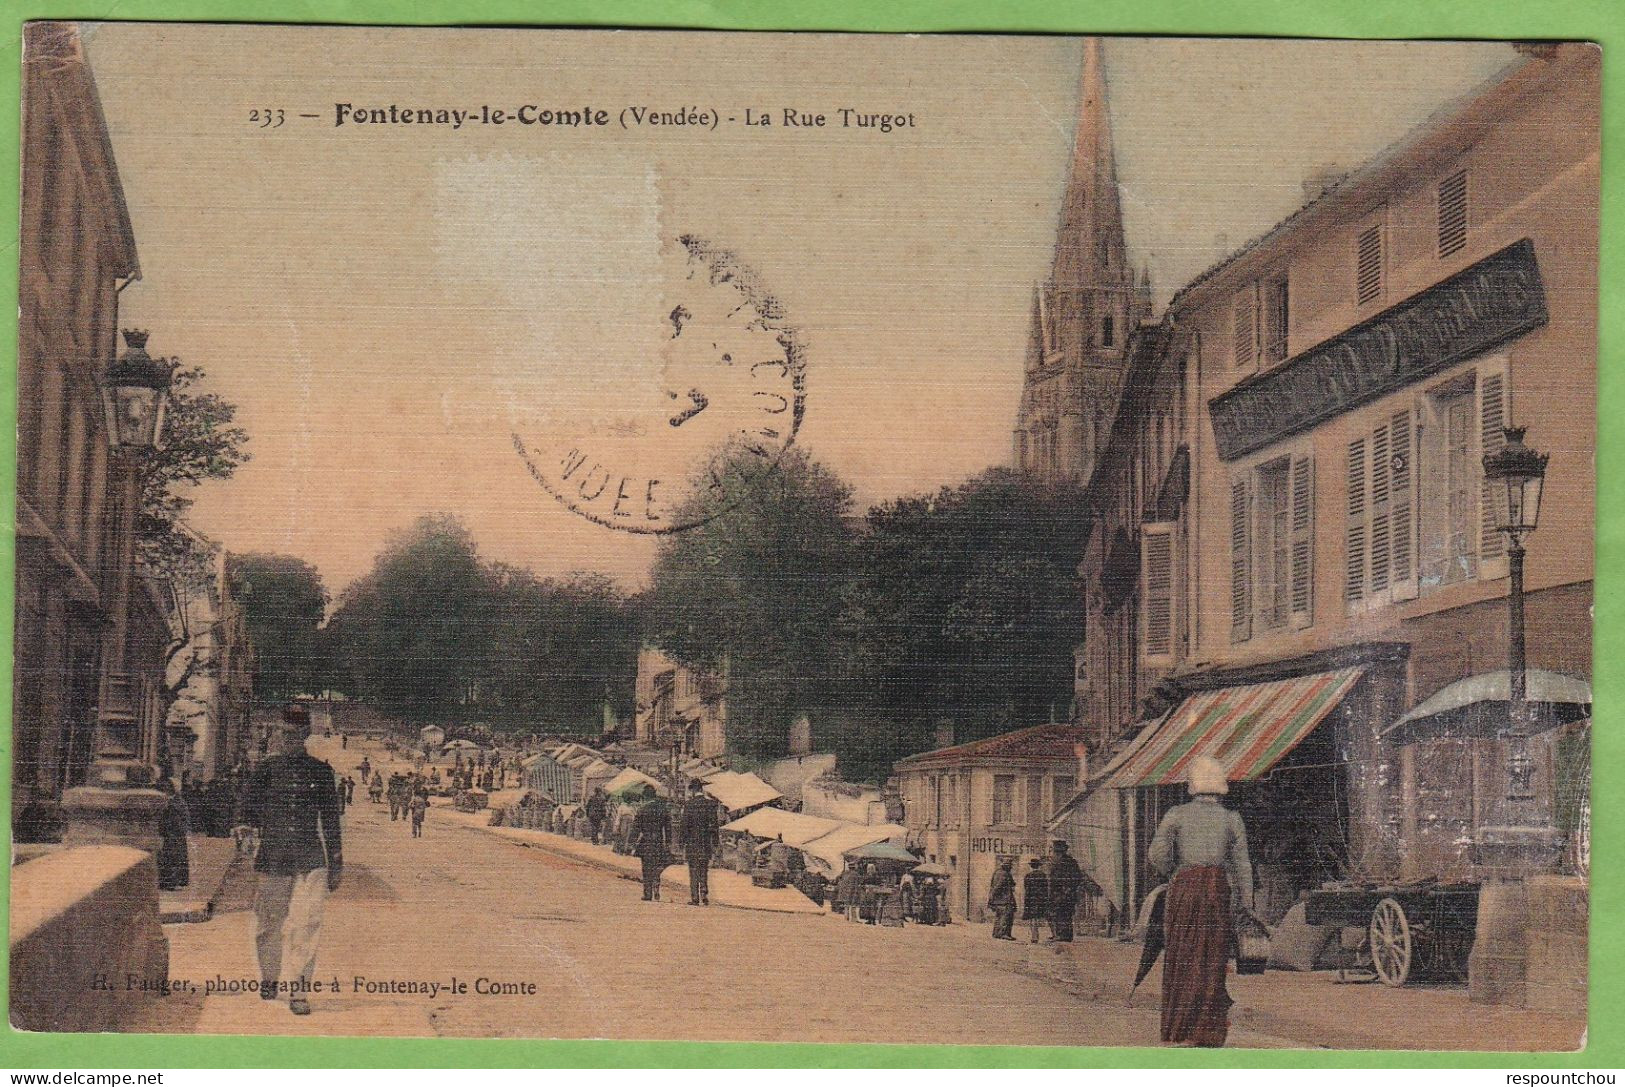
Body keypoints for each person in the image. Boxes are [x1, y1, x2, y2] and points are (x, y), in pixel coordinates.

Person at [233, 706, 343, 1016]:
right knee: (269, 923)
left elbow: (331, 820)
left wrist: (336, 862)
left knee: (307, 923)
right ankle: (269, 977)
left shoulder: (321, 772)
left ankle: (299, 990)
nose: (287, 739)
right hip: (274, 856)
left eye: (294, 735)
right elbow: (247, 805)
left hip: (310, 857)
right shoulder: (267, 770)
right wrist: (245, 829)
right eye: (283, 734)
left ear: (305, 735)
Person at [1148, 756, 1252, 1048]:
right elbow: (1243, 866)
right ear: (1221, 786)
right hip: (1217, 890)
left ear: (1193, 785)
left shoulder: (1176, 815)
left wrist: (1175, 871)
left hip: (1185, 888)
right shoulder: (1232, 819)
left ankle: (1178, 1030)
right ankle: (1207, 1031)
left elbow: (1157, 855)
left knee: (1182, 954)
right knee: (1212, 958)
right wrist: (1247, 902)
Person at [679, 779, 721, 906]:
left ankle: (695, 897)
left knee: (693, 870)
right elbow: (714, 826)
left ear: (692, 790)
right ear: (701, 789)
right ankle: (704, 893)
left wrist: (682, 842)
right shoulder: (711, 804)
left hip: (692, 843)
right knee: (704, 868)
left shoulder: (689, 805)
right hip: (705, 843)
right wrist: (715, 843)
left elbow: (684, 825)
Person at [629, 784, 670, 902]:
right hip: (658, 841)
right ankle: (656, 886)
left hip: (646, 842)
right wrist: (668, 842)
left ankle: (647, 893)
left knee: (646, 868)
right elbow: (668, 827)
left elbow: (635, 828)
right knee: (657, 866)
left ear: (645, 797)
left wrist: (632, 842)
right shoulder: (663, 809)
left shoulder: (642, 809)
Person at [156, 778, 191, 891]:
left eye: (169, 787)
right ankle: (167, 882)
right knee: (167, 858)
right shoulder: (169, 801)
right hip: (169, 834)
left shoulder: (177, 802)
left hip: (175, 835)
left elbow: (181, 819)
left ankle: (173, 882)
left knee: (174, 858)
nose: (166, 789)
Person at [1047, 840, 1083, 942]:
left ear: (1058, 852)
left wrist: (1067, 889)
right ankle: (1064, 935)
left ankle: (1063, 935)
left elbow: (1076, 878)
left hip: (1064, 894)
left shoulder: (1064, 863)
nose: (1052, 854)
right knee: (1063, 914)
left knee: (1062, 913)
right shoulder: (1067, 862)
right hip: (1064, 894)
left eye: (1053, 851)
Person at [988, 856, 1018, 940]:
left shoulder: (996, 872)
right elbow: (998, 886)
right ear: (1006, 866)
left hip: (998, 900)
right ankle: (1004, 934)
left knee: (999, 916)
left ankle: (996, 933)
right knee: (1006, 917)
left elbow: (993, 885)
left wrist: (991, 898)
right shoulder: (1005, 874)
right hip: (1005, 899)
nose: (1011, 867)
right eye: (1010, 866)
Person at [1022, 857, 1050, 943]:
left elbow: (1026, 889)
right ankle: (1038, 936)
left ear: (1031, 867)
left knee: (1032, 918)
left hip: (1031, 899)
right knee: (1039, 917)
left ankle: (1034, 937)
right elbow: (1046, 889)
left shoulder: (1028, 876)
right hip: (1041, 899)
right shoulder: (1043, 875)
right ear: (1039, 866)